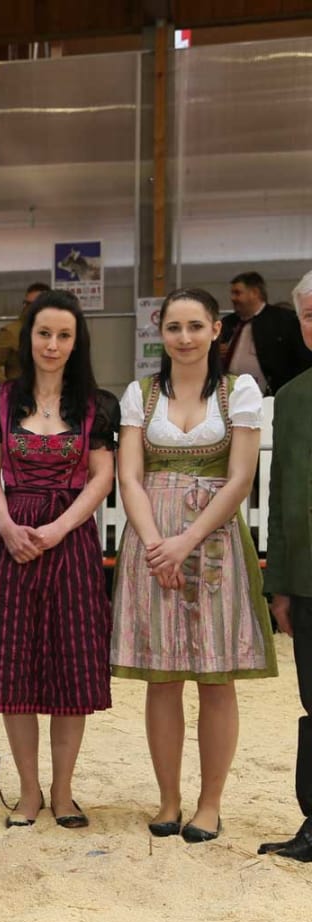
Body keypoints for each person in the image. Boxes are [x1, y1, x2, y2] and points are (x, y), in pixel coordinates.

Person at [111, 287, 276, 844]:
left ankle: (209, 804)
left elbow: (240, 480)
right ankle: (168, 799)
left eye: (195, 326)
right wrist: (155, 543)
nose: (184, 338)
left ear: (216, 331)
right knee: (162, 677)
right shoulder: (140, 394)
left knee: (215, 675)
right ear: (161, 332)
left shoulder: (238, 391)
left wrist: (186, 541)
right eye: (174, 327)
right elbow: (130, 477)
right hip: (152, 540)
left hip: (213, 540)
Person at [0, 290, 118, 829]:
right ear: (28, 337)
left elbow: (101, 477)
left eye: (63, 335)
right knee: (14, 669)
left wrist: (59, 528)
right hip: (11, 541)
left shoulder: (96, 404)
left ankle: (63, 791)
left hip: (71, 541)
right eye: (43, 334)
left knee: (69, 669)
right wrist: (6, 526)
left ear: (76, 342)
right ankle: (28, 792)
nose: (52, 345)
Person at [259, 269, 312, 861]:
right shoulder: (291, 398)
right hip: (306, 580)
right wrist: (278, 585)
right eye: (310, 315)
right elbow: (278, 498)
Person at [217, 270, 310, 394]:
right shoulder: (228, 322)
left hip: (274, 394)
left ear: (255, 292)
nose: (233, 298)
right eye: (232, 293)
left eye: (237, 293)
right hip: (230, 393)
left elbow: (301, 357)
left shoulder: (283, 319)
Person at [0, 282, 50, 384]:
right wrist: (6, 387)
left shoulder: (56, 331)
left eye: (34, 304)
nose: (28, 308)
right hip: (22, 390)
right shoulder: (12, 331)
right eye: (26, 303)